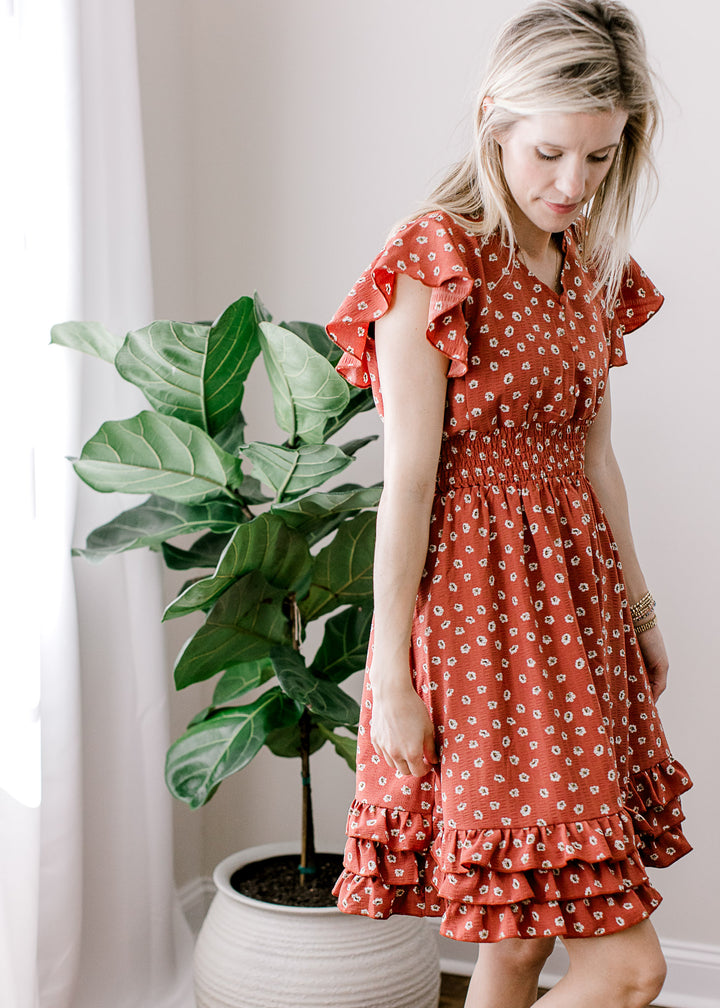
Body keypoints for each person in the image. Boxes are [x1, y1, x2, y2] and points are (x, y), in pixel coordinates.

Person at [325, 2, 692, 1006]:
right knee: (629, 971)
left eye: (601, 158)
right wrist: (388, 668)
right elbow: (406, 482)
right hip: (480, 629)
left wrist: (641, 613)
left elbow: (597, 460)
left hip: (576, 620)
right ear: (493, 120)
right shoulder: (433, 259)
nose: (573, 184)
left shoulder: (585, 264)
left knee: (520, 943)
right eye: (549, 153)